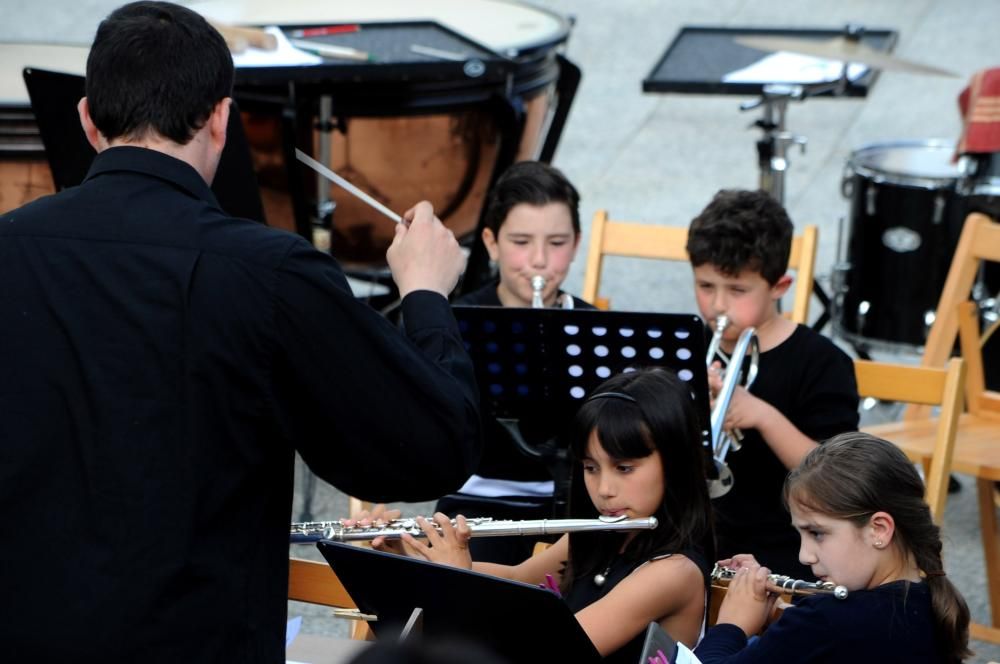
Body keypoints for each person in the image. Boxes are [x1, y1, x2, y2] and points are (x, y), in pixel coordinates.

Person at [0, 3, 481, 662]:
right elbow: (431, 446)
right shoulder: (271, 274)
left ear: (87, 117)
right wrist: (425, 292)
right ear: (221, 119)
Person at [376, 368, 716, 663]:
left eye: (624, 468)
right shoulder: (598, 535)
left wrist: (458, 582)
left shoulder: (674, 572)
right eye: (590, 467)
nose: (604, 488)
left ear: (675, 465)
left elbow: (558, 652)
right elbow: (516, 578)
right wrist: (412, 553)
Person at [687, 189, 859, 579]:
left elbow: (836, 480)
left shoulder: (823, 363)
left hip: (786, 549)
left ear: (780, 287)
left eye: (737, 290)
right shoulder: (687, 348)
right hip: (697, 539)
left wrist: (762, 416)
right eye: (705, 285)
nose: (717, 305)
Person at [695, 432, 972, 663]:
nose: (804, 555)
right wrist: (779, 613)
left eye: (817, 533)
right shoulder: (930, 600)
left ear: (879, 529)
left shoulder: (823, 623)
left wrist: (731, 626)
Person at [437, 160, 594, 564]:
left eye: (557, 243)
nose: (539, 260)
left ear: (577, 243)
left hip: (577, 506)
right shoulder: (456, 322)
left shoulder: (595, 328)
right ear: (491, 243)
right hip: (475, 503)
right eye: (521, 242)